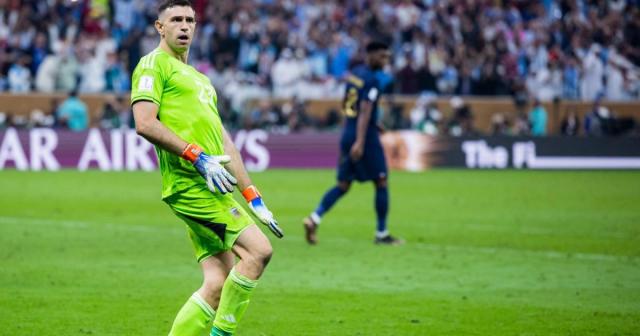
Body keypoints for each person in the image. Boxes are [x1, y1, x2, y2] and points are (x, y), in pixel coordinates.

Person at [130, 2, 283, 335]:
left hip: (213, 186)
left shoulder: (200, 79)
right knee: (258, 252)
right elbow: (144, 123)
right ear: (160, 27)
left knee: (218, 283)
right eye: (176, 20)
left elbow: (225, 144)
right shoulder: (152, 65)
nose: (184, 26)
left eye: (190, 20)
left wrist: (253, 197)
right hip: (190, 184)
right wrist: (196, 156)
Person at [303, 41, 403, 246]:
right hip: (364, 137)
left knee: (343, 184)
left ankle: (314, 218)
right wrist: (360, 140)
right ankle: (382, 233)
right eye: (382, 56)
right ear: (371, 55)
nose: (385, 61)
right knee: (381, 181)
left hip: (348, 131)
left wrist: (372, 124)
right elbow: (365, 109)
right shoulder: (373, 80)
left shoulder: (354, 75)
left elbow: (349, 105)